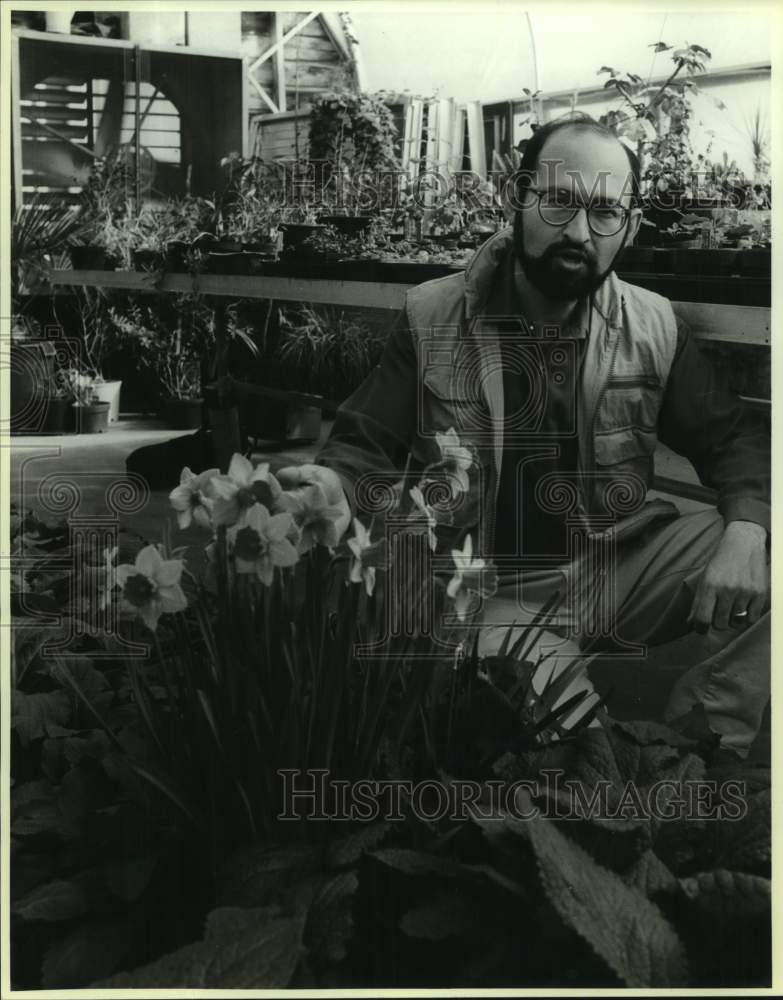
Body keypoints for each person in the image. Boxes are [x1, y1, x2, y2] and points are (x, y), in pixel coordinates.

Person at [277, 114, 770, 755]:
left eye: (604, 212)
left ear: (630, 227)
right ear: (518, 196)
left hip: (611, 565)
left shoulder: (653, 326)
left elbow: (733, 440)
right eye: (560, 201)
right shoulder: (433, 316)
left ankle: (702, 759)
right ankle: (597, 770)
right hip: (487, 590)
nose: (578, 231)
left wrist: (748, 526)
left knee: (767, 546)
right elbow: (364, 439)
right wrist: (334, 482)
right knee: (572, 756)